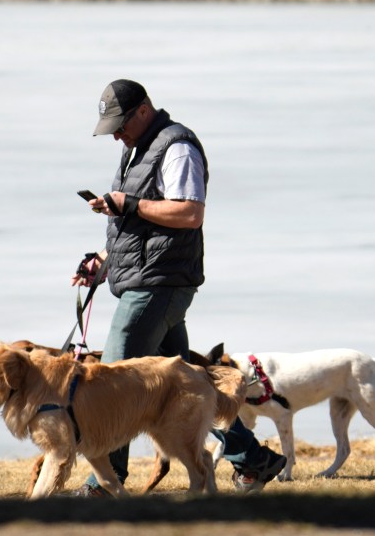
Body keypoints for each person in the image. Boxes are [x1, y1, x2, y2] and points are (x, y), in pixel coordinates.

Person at [70, 78, 285, 496]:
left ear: (144, 110)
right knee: (189, 383)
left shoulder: (177, 147)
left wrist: (127, 203)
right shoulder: (135, 149)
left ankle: (104, 485)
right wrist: (104, 263)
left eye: (119, 124)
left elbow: (190, 213)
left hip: (161, 284)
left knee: (114, 376)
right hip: (148, 278)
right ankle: (253, 460)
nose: (115, 133)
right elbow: (136, 226)